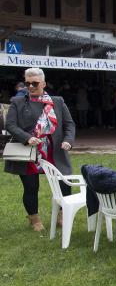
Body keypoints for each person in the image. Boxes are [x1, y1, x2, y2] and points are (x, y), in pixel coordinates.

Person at [4, 68, 75, 231]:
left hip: (54, 151)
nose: (30, 86)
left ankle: (61, 216)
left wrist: (68, 140)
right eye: (27, 83)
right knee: (30, 187)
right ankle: (35, 219)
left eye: (34, 83)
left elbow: (69, 124)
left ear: (43, 83)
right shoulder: (17, 102)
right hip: (29, 152)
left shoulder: (57, 101)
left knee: (64, 184)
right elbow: (10, 125)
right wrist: (27, 138)